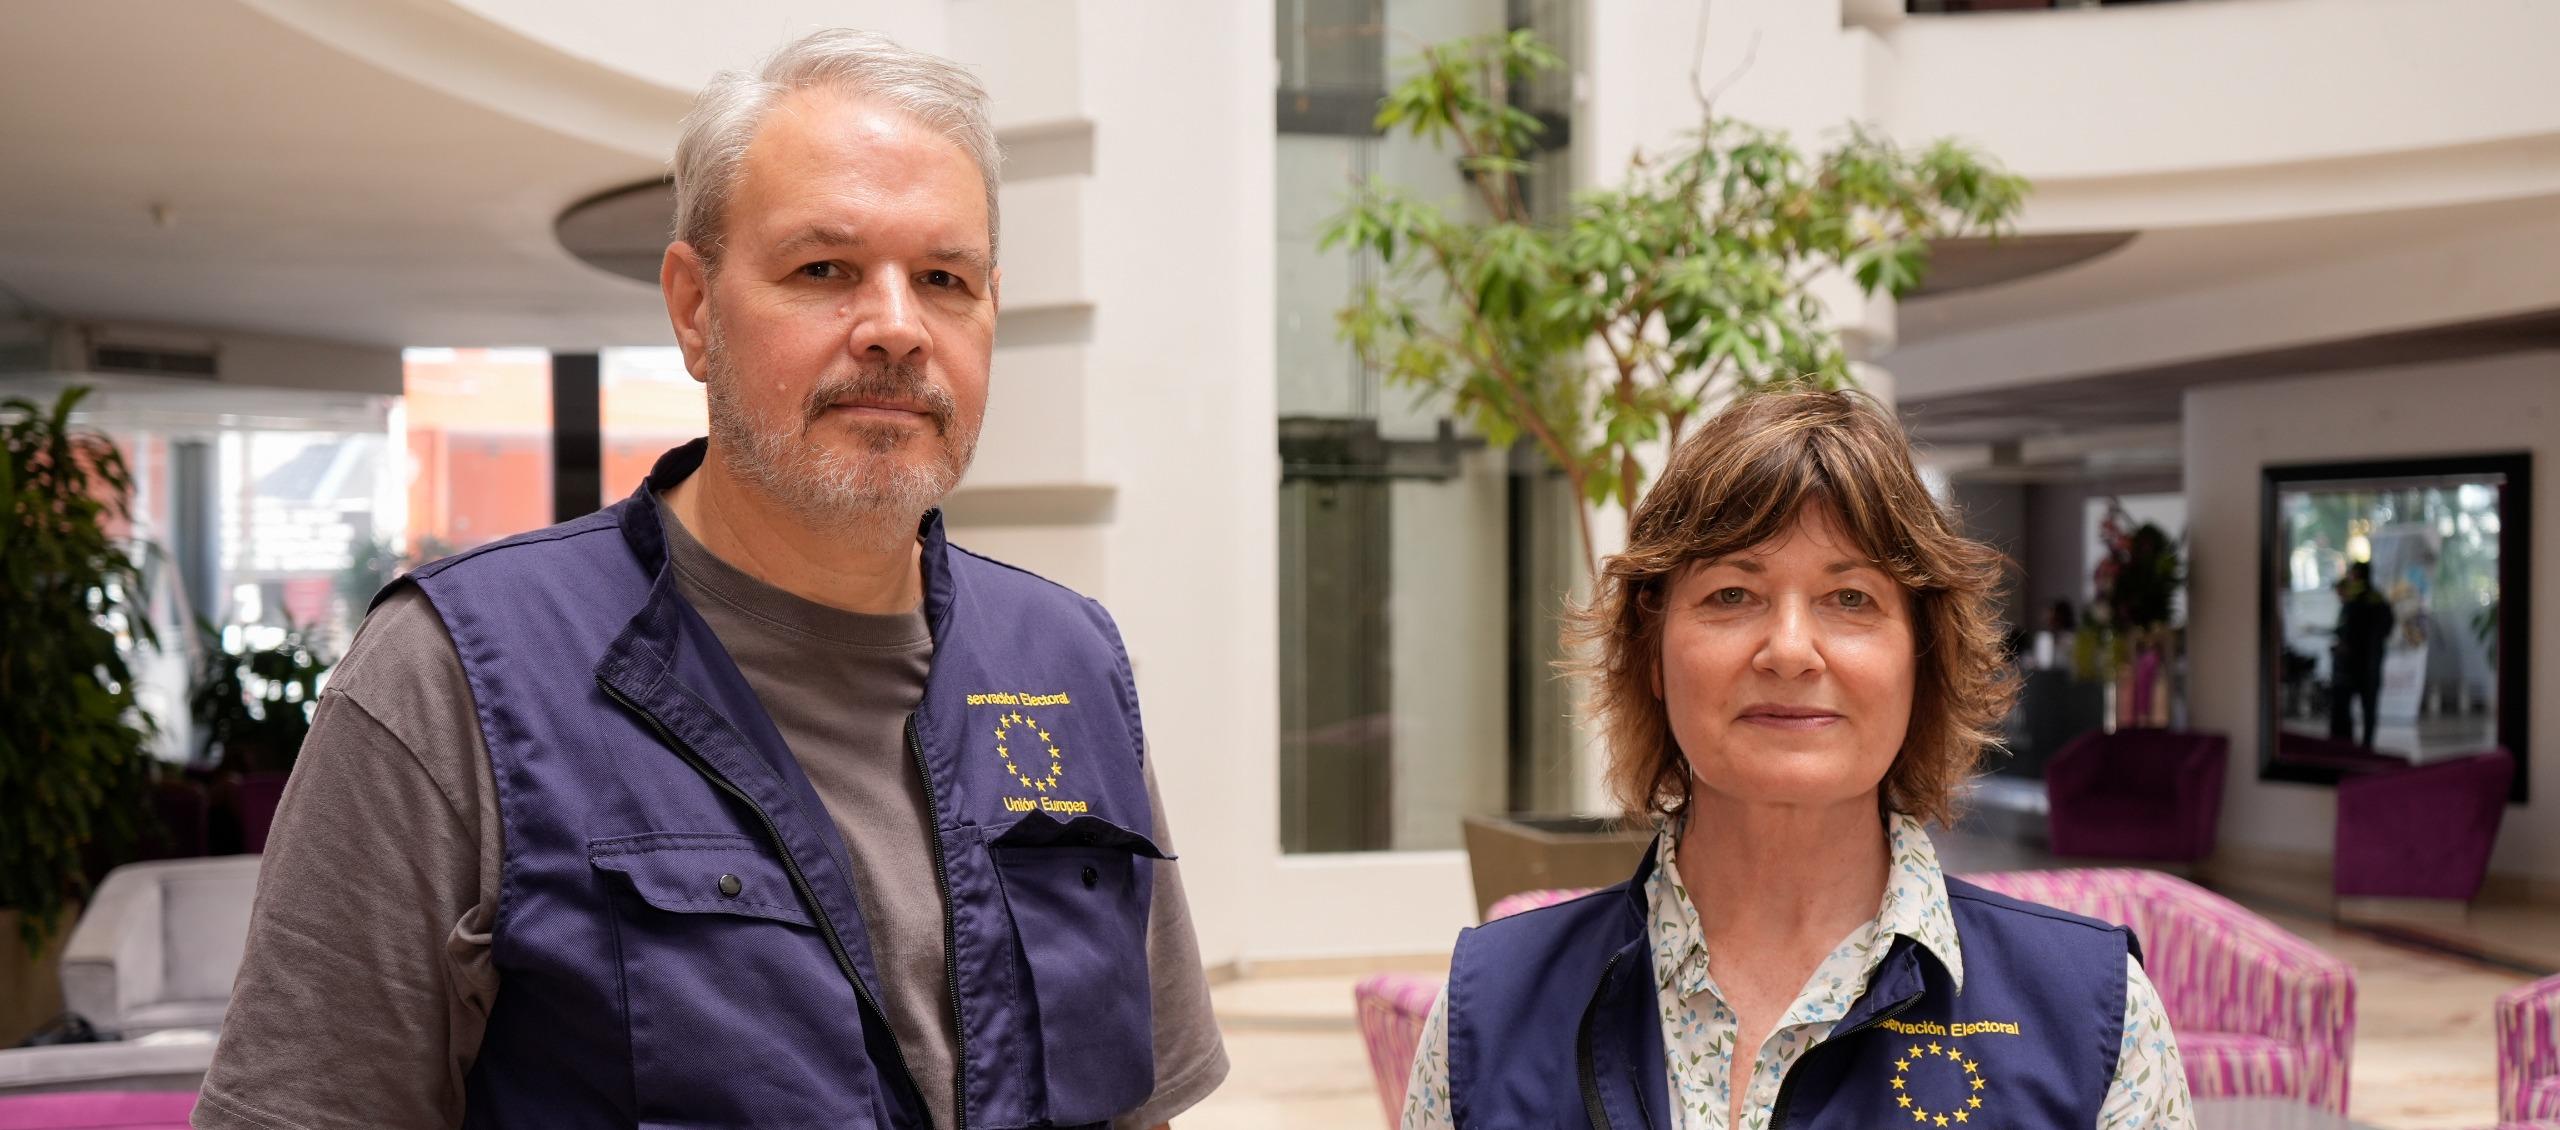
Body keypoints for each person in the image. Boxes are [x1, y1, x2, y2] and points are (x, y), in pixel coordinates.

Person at [196, 30, 1226, 1130]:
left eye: (944, 278)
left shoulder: (1068, 661)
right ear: (694, 308)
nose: (895, 326)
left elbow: (1137, 1109)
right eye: (823, 268)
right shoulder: (453, 680)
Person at [1398, 390, 2191, 1130]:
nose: (1788, 650)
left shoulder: (2094, 1015)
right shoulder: (1489, 1007)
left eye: (1851, 599)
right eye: (1731, 595)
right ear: (1652, 656)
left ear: (1924, 658)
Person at [2329, 560, 2396, 750]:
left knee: (2362, 707)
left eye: (2353, 575)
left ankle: (2355, 746)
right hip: (2366, 664)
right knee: (2365, 707)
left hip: (2361, 664)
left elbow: (2348, 630)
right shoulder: (2374, 599)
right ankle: (2362, 746)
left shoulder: (2360, 600)